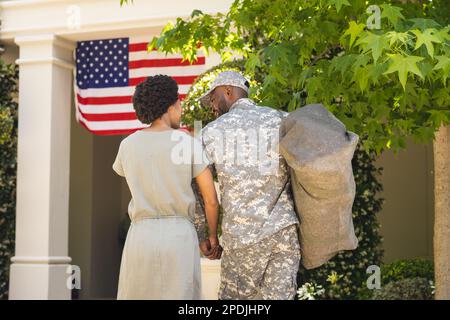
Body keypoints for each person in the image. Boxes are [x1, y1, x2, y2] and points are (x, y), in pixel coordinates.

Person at [113, 75, 221, 300]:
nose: (180, 110)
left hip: (140, 236)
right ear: (170, 107)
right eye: (179, 105)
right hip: (178, 236)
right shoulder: (187, 143)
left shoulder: (127, 145)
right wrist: (212, 236)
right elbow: (210, 200)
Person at [199, 71, 300, 300]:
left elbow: (200, 189)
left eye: (213, 98)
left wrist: (208, 235)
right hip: (283, 233)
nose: (212, 107)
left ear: (228, 91)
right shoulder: (283, 119)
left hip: (241, 240)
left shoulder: (211, 132)